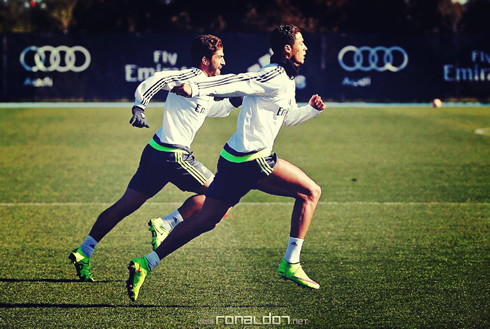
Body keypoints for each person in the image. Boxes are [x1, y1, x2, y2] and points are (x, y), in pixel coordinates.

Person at [126, 24, 326, 302]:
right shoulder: (275, 74)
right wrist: (195, 86)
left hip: (233, 158)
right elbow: (235, 81)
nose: (305, 47)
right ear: (287, 49)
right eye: (301, 42)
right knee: (310, 192)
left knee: (207, 219)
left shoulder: (286, 80)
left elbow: (287, 117)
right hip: (252, 160)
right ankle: (291, 263)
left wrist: (311, 111)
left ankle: (146, 263)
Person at [69, 35, 242, 282]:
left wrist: (232, 103)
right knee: (223, 196)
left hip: (155, 151)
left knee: (125, 205)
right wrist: (139, 106)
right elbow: (156, 80)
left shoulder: (203, 87)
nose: (224, 62)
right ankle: (168, 223)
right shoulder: (188, 77)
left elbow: (209, 109)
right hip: (174, 155)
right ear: (205, 60)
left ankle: (83, 251)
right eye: (220, 57)